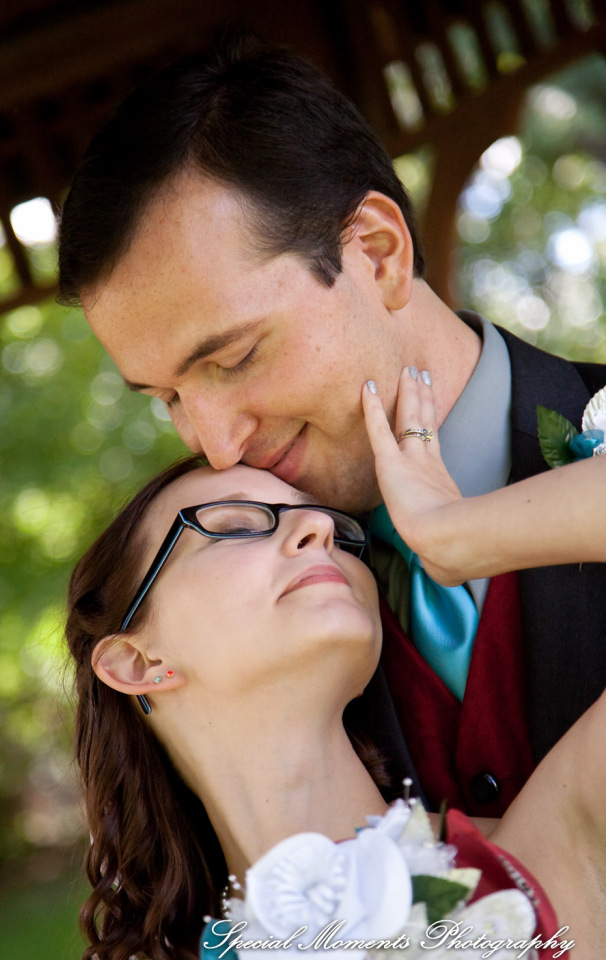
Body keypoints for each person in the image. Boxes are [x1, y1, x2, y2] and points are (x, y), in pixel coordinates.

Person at [57, 32, 606, 815]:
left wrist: (465, 534)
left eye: (236, 356)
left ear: (378, 255)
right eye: (168, 397)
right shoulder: (248, 612)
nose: (217, 444)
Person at [65, 452, 605, 960]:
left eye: (340, 532)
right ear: (137, 662)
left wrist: (460, 529)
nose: (321, 529)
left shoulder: (567, 849)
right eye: (239, 525)